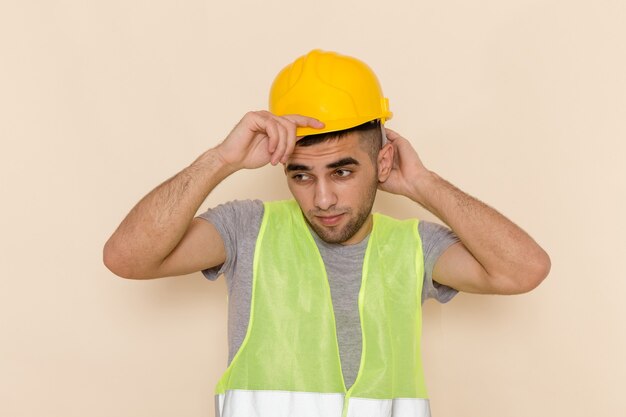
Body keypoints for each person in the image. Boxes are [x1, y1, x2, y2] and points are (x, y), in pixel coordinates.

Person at [103, 50, 550, 417]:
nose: (322, 199)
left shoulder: (415, 248)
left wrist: (422, 183)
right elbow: (126, 258)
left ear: (383, 163)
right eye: (301, 175)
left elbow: (524, 270)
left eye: (342, 171)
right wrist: (222, 159)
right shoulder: (246, 230)